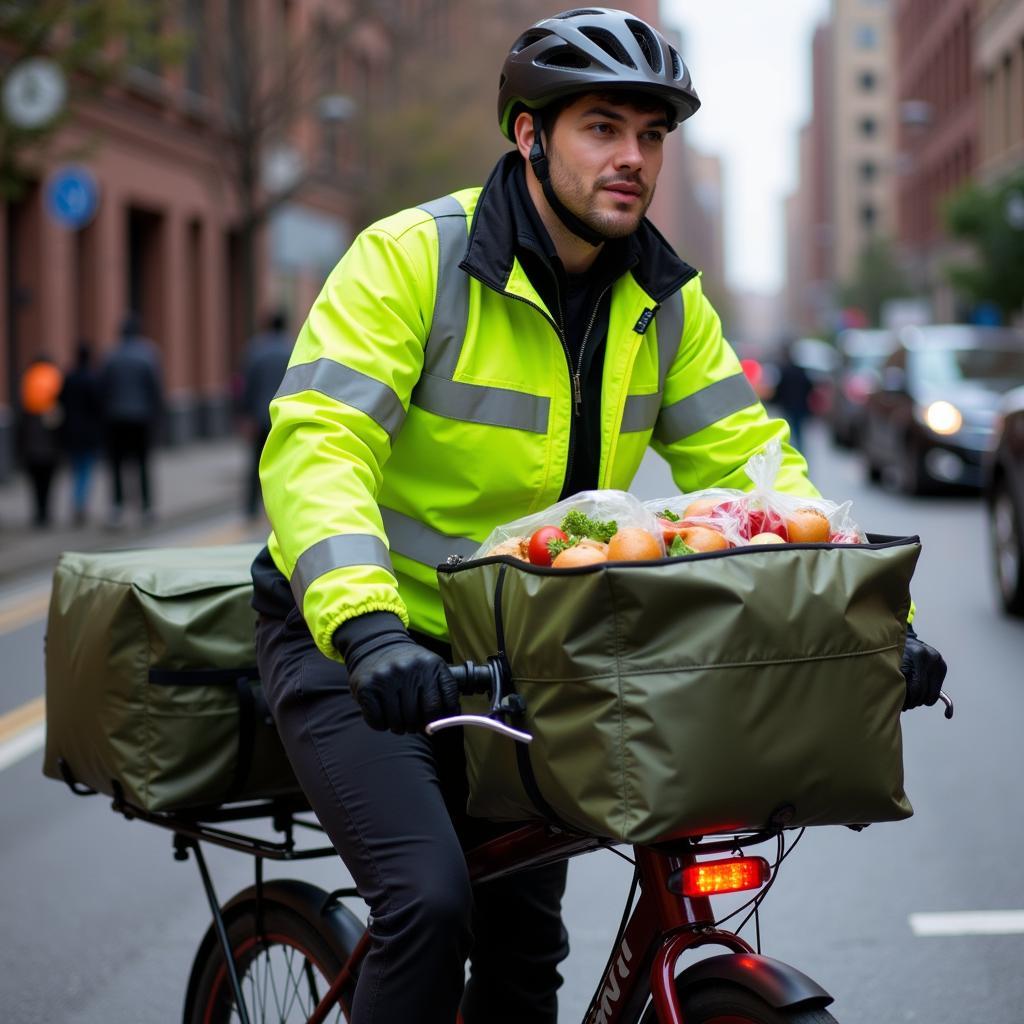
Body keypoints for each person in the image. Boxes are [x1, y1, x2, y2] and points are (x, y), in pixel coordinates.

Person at [250, 9, 948, 1023]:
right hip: (360, 646)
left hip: (520, 648)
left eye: (652, 135)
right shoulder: (411, 259)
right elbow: (320, 444)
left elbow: (764, 476)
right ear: (529, 136)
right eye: (602, 128)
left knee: (526, 949)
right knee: (432, 905)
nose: (633, 158)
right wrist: (365, 629)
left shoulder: (664, 300)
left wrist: (874, 621)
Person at [99, 312, 164, 527]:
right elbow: (155, 387)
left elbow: (103, 388)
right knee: (143, 462)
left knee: (117, 464)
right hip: (142, 417)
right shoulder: (148, 353)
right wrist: (157, 414)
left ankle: (117, 507)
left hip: (115, 417)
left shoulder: (111, 355)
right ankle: (146, 507)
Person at [239, 310, 292, 518]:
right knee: (285, 464)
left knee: (255, 463)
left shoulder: (255, 350)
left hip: (260, 415)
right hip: (283, 416)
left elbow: (247, 385)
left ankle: (251, 508)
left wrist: (245, 414)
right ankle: (281, 510)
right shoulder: (292, 349)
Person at [15, 354, 64, 528]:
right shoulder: (54, 376)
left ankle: (38, 513)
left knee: (35, 481)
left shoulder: (29, 377)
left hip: (31, 439)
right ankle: (46, 513)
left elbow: (20, 410)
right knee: (48, 480)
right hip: (50, 442)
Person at [60, 340, 103, 526]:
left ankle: (77, 502)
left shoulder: (69, 378)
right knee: (85, 470)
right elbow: (99, 407)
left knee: (76, 469)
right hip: (88, 434)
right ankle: (80, 504)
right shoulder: (92, 379)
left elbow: (60, 402)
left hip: (71, 432)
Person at [773, 339, 814, 450]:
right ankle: (798, 450)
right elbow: (809, 386)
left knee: (791, 430)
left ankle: (793, 450)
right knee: (799, 431)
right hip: (800, 406)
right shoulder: (801, 371)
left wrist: (777, 401)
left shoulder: (785, 371)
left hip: (789, 406)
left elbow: (780, 389)